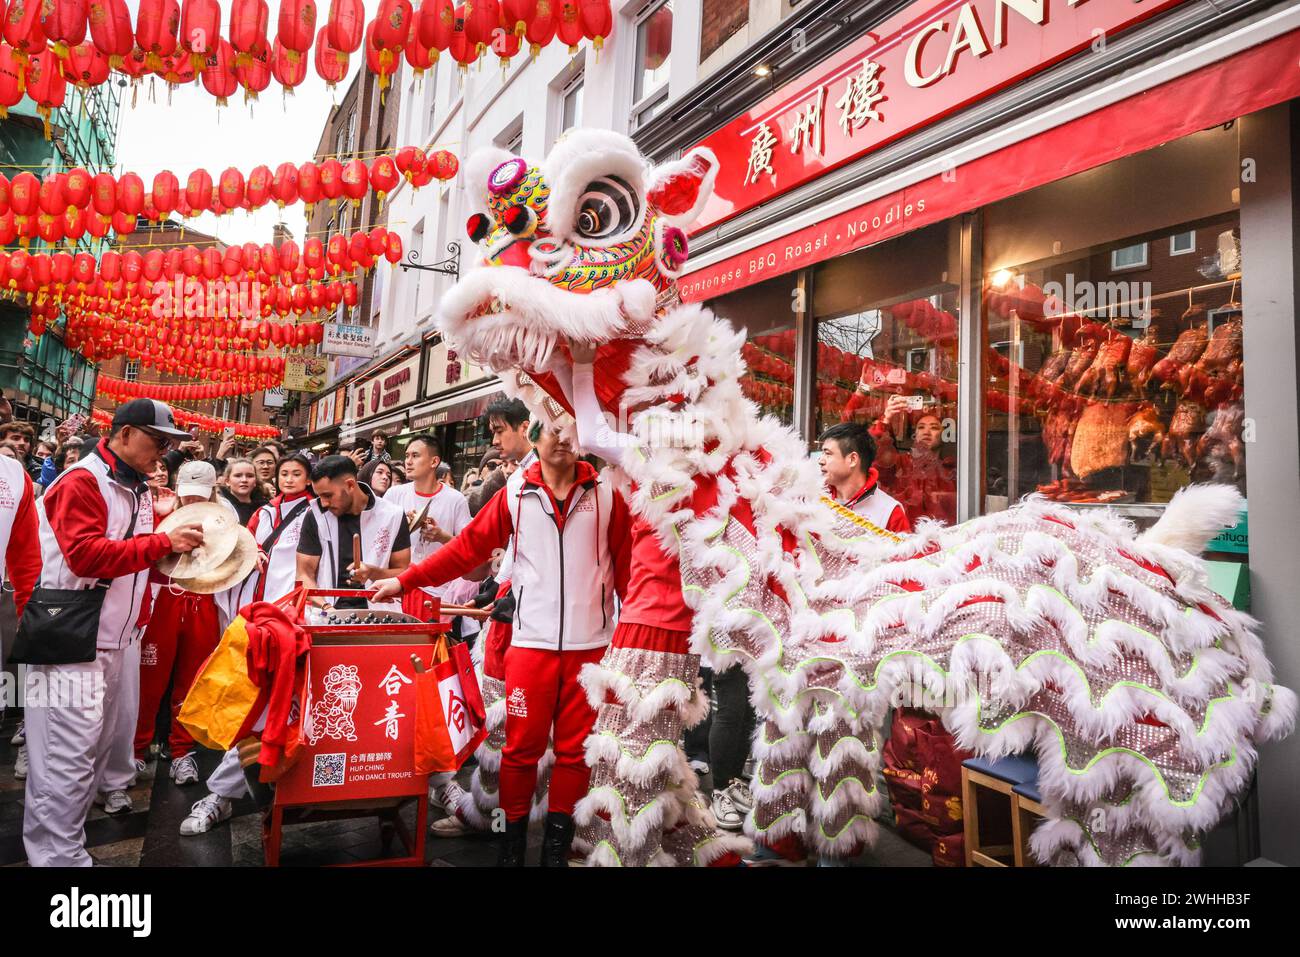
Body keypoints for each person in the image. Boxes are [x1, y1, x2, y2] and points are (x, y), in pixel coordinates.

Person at [372, 419, 630, 866]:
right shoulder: (514, 494)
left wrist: (630, 641)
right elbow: (467, 550)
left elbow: (630, 572)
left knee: (575, 753)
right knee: (520, 750)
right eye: (553, 430)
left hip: (592, 650)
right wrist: (405, 580)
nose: (564, 439)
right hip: (530, 647)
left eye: (573, 431)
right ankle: (510, 851)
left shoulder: (608, 496)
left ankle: (554, 848)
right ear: (535, 436)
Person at [23, 398, 204, 866]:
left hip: (116, 639)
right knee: (64, 758)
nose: (163, 453)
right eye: (157, 441)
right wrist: (164, 542)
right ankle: (57, 859)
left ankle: (67, 844)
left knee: (97, 750)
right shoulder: (81, 480)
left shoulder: (137, 487)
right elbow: (86, 556)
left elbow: (137, 563)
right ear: (123, 434)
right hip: (70, 637)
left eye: (169, 445)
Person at [180, 453, 317, 837]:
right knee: (256, 706)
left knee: (277, 712)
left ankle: (225, 795)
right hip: (261, 619)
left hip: (301, 620)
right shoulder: (264, 514)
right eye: (285, 472)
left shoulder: (318, 511)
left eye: (297, 473)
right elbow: (242, 555)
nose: (289, 478)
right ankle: (223, 795)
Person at [133, 460, 232, 787]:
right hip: (162, 601)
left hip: (202, 603)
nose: (192, 501)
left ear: (213, 491)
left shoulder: (224, 519)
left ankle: (182, 752)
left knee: (191, 683)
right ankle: (135, 750)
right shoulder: (161, 511)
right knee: (149, 682)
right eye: (187, 495)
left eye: (199, 495)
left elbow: (238, 552)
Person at [296, 455, 411, 611]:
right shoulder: (316, 515)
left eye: (328, 495)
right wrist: (326, 607)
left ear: (350, 485)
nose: (323, 503)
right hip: (327, 613)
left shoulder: (392, 515)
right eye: (319, 496)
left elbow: (403, 572)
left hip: (379, 613)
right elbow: (304, 574)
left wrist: (371, 572)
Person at [382, 435, 471, 621]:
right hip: (397, 585)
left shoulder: (455, 499)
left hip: (437, 591)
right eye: (407, 456)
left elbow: (468, 550)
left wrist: (442, 536)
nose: (408, 461)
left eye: (415, 455)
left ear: (434, 461)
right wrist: (402, 526)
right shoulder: (393, 495)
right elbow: (378, 540)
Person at [819, 421, 912, 533]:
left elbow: (904, 549)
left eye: (828, 454)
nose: (820, 461)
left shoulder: (889, 511)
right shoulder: (813, 500)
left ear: (853, 459)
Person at [220, 456, 264, 526]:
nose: (244, 480)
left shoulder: (264, 508)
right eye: (238, 476)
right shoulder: (220, 506)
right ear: (227, 481)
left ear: (255, 481)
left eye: (250, 476)